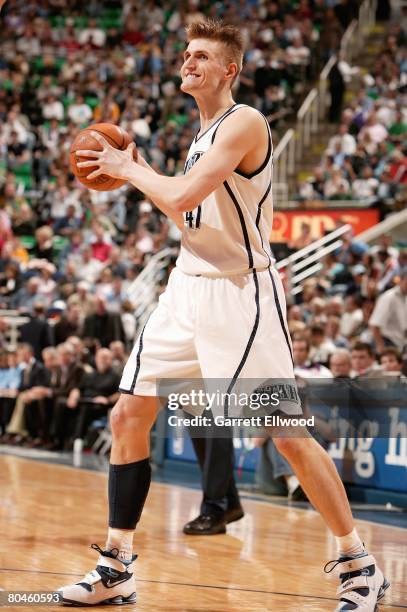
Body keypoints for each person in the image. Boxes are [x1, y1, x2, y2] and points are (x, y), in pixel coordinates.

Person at [61, 19, 389, 611]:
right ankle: (116, 565)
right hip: (185, 291)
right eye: (186, 54)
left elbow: (184, 196)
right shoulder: (199, 137)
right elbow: (182, 213)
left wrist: (129, 169)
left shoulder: (245, 122)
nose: (188, 62)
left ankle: (360, 565)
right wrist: (136, 174)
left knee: (286, 436)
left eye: (202, 56)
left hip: (242, 298)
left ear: (229, 70)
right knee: (127, 415)